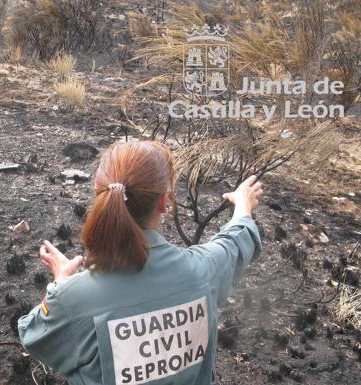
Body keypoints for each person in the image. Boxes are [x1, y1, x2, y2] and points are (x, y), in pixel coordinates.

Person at [18, 141, 262, 385]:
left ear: (98, 195)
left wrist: (60, 283)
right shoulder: (203, 271)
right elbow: (235, 243)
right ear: (164, 202)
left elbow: (33, 334)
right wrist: (243, 205)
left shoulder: (72, 298)